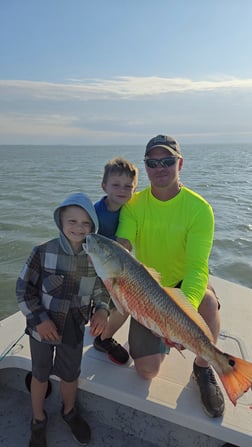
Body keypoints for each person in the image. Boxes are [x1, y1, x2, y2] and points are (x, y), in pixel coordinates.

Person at [116, 134, 225, 418]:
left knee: (209, 304)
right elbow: (123, 248)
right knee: (147, 372)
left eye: (167, 160)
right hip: (147, 287)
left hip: (183, 283)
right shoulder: (133, 205)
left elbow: (197, 267)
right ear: (146, 167)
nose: (160, 167)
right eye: (153, 162)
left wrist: (179, 317)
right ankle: (161, 340)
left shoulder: (199, 209)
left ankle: (203, 368)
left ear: (180, 163)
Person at [16, 192, 111, 447]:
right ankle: (38, 420)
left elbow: (103, 289)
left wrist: (102, 309)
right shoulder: (42, 251)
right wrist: (39, 320)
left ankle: (69, 412)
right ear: (60, 222)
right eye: (72, 221)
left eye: (85, 223)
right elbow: (23, 290)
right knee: (40, 375)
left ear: (93, 227)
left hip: (74, 328)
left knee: (70, 376)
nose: (79, 228)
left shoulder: (96, 258)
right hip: (42, 330)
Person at [93, 157, 138, 364]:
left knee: (120, 305)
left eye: (128, 186)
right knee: (109, 303)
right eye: (116, 185)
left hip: (119, 267)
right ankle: (103, 338)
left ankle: (104, 334)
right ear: (104, 186)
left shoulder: (133, 209)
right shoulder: (95, 212)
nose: (122, 190)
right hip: (97, 267)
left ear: (135, 189)